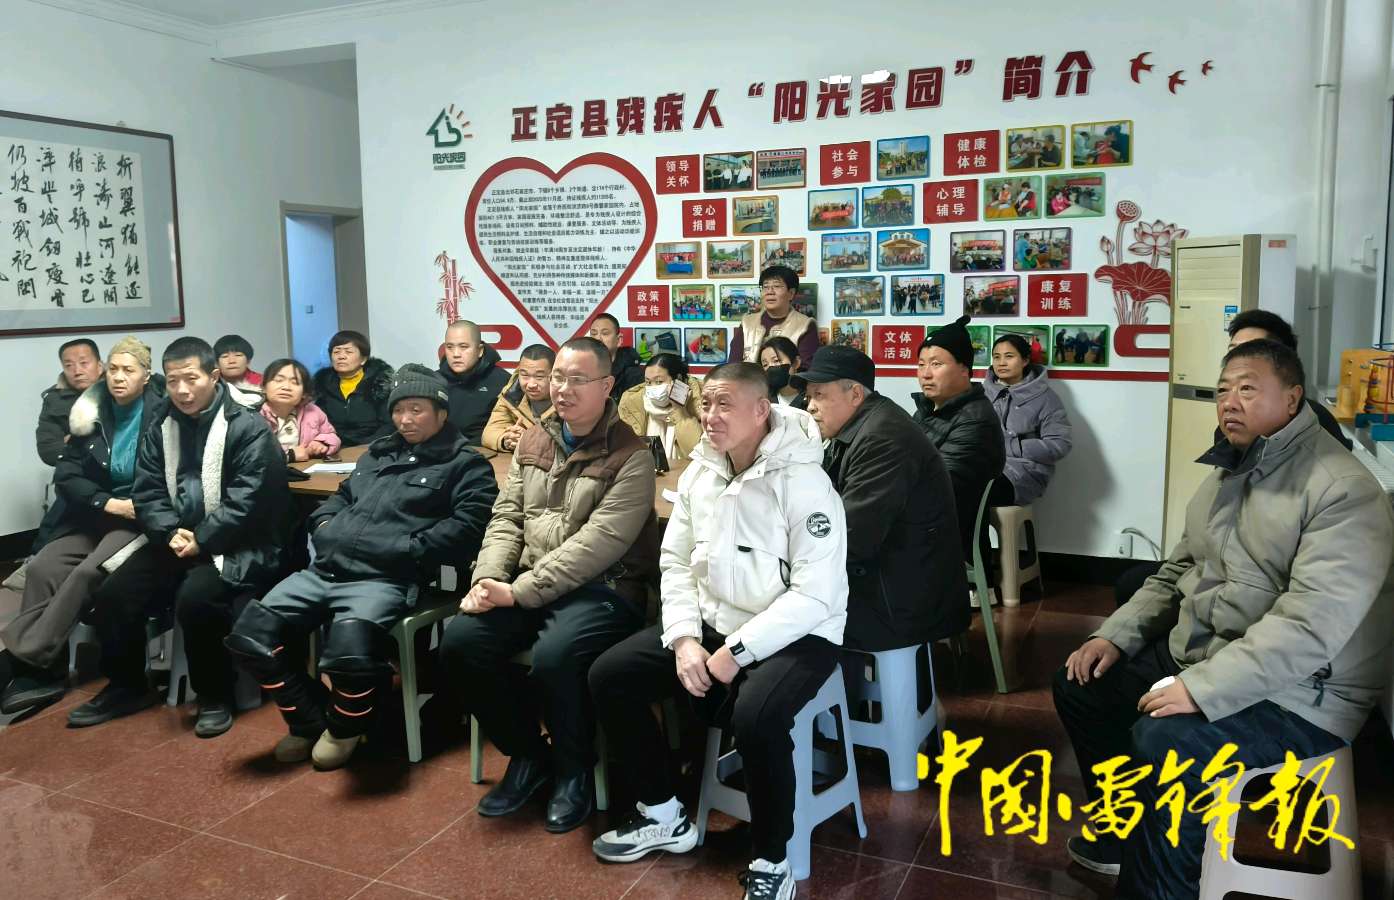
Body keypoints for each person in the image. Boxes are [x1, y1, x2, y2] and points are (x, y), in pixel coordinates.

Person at [1054, 339, 1394, 897]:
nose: (1229, 402)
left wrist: (1200, 688)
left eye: (1248, 389)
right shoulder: (1228, 470)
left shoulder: (1341, 490)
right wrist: (1114, 636)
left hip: (1303, 692)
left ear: (1292, 399)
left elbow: (1309, 628)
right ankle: (1124, 833)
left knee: (1167, 743)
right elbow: (1176, 570)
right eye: (1222, 390)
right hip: (1211, 654)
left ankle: (1159, 886)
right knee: (1083, 682)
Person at [588, 362, 847, 900]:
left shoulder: (805, 482)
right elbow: (676, 562)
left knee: (756, 718)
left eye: (725, 404)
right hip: (714, 622)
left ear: (762, 410)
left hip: (799, 634)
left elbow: (815, 596)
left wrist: (736, 652)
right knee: (611, 675)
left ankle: (772, 859)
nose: (710, 416)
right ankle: (663, 812)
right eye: (706, 403)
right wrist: (684, 638)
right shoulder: (700, 471)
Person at [438, 337, 660, 833]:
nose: (562, 388)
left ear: (607, 386)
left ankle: (574, 767)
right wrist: (489, 578)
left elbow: (600, 544)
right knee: (462, 641)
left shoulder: (632, 455)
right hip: (528, 582)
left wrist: (519, 592)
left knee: (556, 655)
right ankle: (528, 754)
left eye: (578, 379)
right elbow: (507, 517)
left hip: (604, 589)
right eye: (558, 377)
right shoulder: (534, 440)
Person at [226, 364, 497, 768]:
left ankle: (344, 728)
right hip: (327, 570)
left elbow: (469, 526)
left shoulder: (465, 464)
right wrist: (324, 526)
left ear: (441, 413)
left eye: (417, 409)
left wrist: (408, 549)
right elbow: (341, 497)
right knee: (250, 635)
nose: (405, 419)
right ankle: (308, 720)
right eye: (399, 409)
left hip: (386, 577)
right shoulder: (378, 452)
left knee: (348, 651)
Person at [71, 337, 291, 736]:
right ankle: (127, 686)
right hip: (174, 539)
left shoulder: (247, 426)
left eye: (192, 378)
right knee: (113, 594)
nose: (182, 390)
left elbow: (251, 500)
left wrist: (202, 538)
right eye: (173, 381)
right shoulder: (161, 423)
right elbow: (147, 490)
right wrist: (170, 531)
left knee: (197, 599)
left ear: (214, 376)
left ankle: (214, 694)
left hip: (238, 544)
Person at [1112, 308, 1352, 609]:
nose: (1238, 360)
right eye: (1233, 351)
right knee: (1138, 589)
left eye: (1252, 350)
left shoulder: (1318, 434)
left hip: (1262, 581)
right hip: (1223, 562)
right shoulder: (1230, 431)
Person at [0, 337, 162, 715]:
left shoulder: (162, 415)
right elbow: (66, 474)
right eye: (114, 369)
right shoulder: (90, 412)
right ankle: (48, 668)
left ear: (146, 375)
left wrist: (130, 506)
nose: (118, 377)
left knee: (89, 572)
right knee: (43, 567)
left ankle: (25, 662)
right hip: (97, 514)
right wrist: (104, 501)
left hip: (139, 518)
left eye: (128, 370)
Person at [797, 346, 967, 651]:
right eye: (808, 397)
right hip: (890, 577)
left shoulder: (882, 438)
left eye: (819, 395)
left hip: (899, 600)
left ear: (855, 394)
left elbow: (852, 537)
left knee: (785, 618)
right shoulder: (860, 427)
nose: (810, 407)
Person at [912, 316, 1005, 557]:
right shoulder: (925, 410)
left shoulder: (976, 419)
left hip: (944, 541)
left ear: (964, 369)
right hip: (921, 527)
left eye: (936, 364)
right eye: (921, 364)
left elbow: (939, 485)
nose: (925, 374)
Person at [982, 334, 1073, 506]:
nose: (1001, 363)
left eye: (1009, 356)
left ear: (1025, 361)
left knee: (978, 492)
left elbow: (1060, 444)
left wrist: (1011, 446)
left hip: (1023, 471)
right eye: (996, 357)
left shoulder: (1046, 398)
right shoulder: (980, 393)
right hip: (981, 466)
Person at [313, 330, 395, 447]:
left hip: (373, 446)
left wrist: (367, 446)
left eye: (348, 352)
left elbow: (389, 425)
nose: (341, 356)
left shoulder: (379, 384)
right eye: (336, 352)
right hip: (334, 446)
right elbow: (319, 424)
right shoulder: (322, 385)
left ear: (363, 359)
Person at [618, 352, 703, 463]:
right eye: (648, 382)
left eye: (659, 382)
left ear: (678, 379)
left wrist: (679, 410)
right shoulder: (632, 401)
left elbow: (697, 455)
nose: (652, 387)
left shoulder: (702, 400)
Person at [438, 319, 509, 445]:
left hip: (487, 452)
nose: (456, 354)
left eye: (463, 347)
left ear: (480, 350)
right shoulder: (433, 381)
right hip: (440, 452)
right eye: (450, 347)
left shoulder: (503, 382)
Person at [729, 266, 817, 366]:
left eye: (777, 286)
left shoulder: (805, 325)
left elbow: (806, 368)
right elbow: (733, 365)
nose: (770, 292)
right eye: (765, 287)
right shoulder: (747, 322)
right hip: (748, 376)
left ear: (791, 293)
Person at [258, 358, 341, 462]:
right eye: (279, 380)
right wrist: (290, 455)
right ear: (264, 387)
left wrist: (321, 443)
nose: (286, 387)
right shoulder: (254, 415)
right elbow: (251, 453)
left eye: (295, 382)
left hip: (304, 469)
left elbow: (332, 436)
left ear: (304, 393)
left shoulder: (313, 411)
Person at [37, 338, 104, 467]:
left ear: (100, 366)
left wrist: (73, 442)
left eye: (84, 363)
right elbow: (48, 450)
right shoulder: (54, 399)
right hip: (75, 473)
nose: (77, 371)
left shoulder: (118, 390)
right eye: (69, 365)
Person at [482, 343, 557, 452]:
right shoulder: (511, 394)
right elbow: (489, 432)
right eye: (525, 375)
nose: (531, 384)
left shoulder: (567, 399)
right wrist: (507, 439)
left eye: (539, 377)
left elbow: (572, 442)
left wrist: (528, 439)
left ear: (554, 375)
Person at [588, 313, 645, 400]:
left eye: (605, 333)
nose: (598, 338)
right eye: (594, 333)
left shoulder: (635, 375)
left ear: (619, 340)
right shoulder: (583, 369)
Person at [758, 336, 807, 409]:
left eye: (776, 361)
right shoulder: (763, 399)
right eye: (765, 365)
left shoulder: (811, 397)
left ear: (796, 362)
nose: (770, 367)